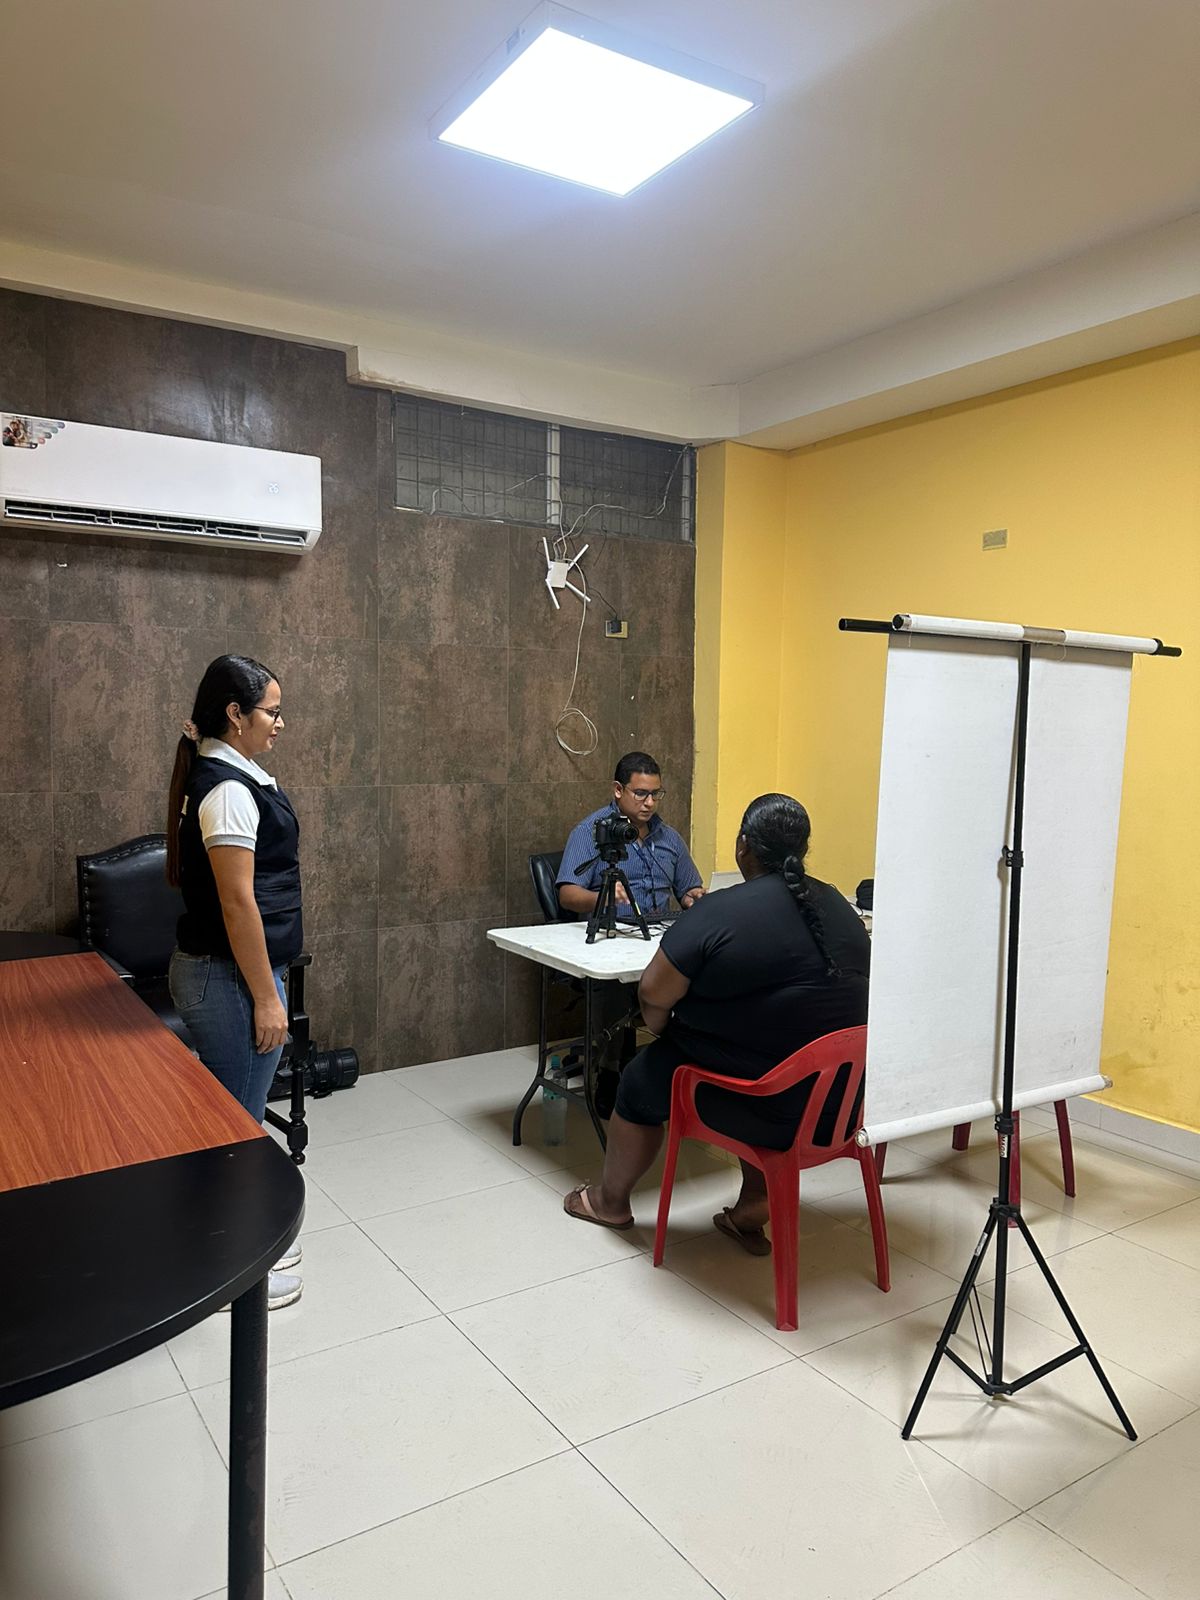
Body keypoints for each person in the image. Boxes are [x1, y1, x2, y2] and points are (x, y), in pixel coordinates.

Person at [563, 793, 870, 1253]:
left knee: (643, 1078)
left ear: (743, 845)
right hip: (839, 1107)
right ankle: (753, 1204)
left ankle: (609, 1203)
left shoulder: (721, 910)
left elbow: (652, 993)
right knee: (766, 1051)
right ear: (803, 849)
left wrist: (663, 1031)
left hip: (767, 1109)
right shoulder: (839, 906)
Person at [166, 654, 304, 1309]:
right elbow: (236, 903)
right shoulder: (226, 790)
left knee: (231, 1124)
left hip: (230, 977)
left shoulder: (232, 776)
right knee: (236, 1131)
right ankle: (232, 1274)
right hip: (228, 982)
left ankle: (223, 1252)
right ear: (234, 713)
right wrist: (267, 998)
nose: (280, 722)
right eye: (272, 711)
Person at [557, 752, 704, 922]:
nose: (650, 803)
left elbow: (688, 890)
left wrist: (692, 897)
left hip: (661, 930)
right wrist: (604, 898)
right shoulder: (591, 832)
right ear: (618, 790)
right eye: (640, 793)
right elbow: (567, 895)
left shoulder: (670, 837)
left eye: (655, 794)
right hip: (612, 931)